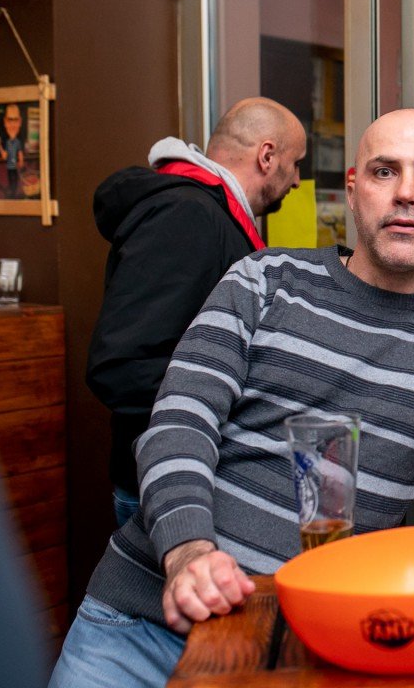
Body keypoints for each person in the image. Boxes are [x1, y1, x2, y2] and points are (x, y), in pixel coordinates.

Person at [50, 109, 414, 688]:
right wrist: (189, 553)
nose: (405, 193)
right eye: (383, 171)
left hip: (318, 647)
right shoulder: (264, 279)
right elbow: (179, 423)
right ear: (352, 188)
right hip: (144, 628)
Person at [86, 97, 308, 527]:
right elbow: (122, 366)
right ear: (267, 156)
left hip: (193, 477)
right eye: (295, 163)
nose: (297, 180)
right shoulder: (188, 215)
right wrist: (238, 405)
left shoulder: (208, 214)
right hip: (168, 485)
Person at [2, 103, 26, 198]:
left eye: (15, 120)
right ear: (5, 122)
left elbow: (20, 153)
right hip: (9, 167)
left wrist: (21, 161)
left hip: (15, 167)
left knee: (15, 182)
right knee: (11, 181)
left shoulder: (19, 142)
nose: (12, 124)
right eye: (9, 120)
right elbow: (5, 155)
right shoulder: (6, 142)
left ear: (20, 122)